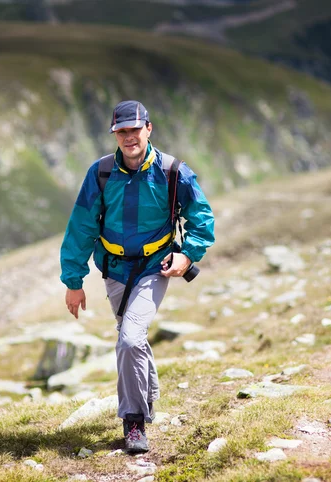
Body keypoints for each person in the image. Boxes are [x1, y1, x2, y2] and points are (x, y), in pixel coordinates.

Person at [59, 100, 215, 453]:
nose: (129, 137)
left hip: (153, 268)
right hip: (114, 270)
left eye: (135, 129)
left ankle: (133, 422)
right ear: (115, 134)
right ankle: (149, 397)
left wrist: (187, 254)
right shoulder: (99, 174)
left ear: (149, 128)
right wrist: (73, 281)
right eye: (122, 131)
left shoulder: (174, 171)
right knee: (133, 337)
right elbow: (81, 228)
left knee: (129, 339)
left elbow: (202, 218)